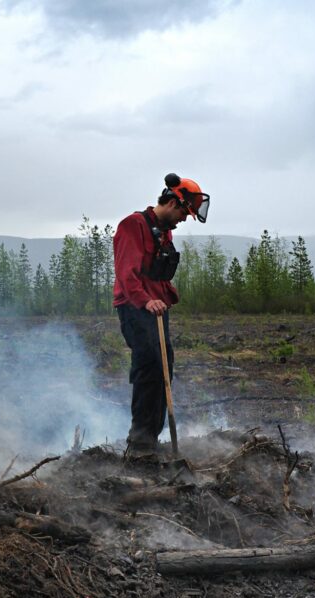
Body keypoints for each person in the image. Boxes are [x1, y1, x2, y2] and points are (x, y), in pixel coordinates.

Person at [113, 173, 209, 456]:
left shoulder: (164, 231)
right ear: (170, 202)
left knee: (164, 367)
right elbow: (126, 274)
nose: (183, 219)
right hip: (134, 306)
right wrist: (146, 300)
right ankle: (139, 445)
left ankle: (151, 440)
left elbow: (154, 273)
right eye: (183, 212)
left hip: (155, 307)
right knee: (149, 366)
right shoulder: (133, 225)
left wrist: (167, 293)